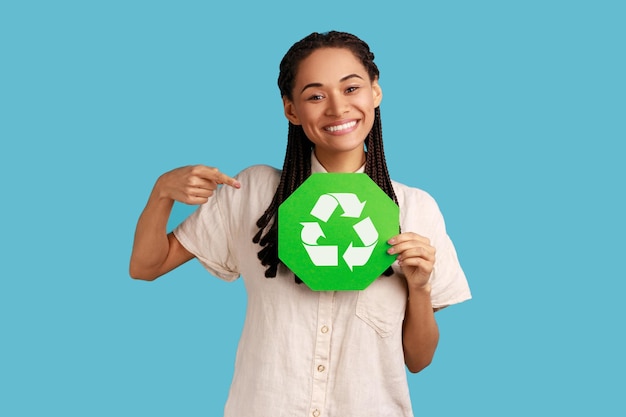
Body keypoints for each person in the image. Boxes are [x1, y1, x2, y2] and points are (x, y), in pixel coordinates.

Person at [130, 30, 471, 417]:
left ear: (375, 92)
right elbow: (146, 266)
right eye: (315, 95)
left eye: (351, 88)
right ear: (291, 110)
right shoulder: (254, 194)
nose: (337, 108)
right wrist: (161, 193)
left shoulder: (415, 209)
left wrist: (420, 287)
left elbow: (419, 360)